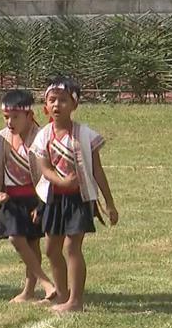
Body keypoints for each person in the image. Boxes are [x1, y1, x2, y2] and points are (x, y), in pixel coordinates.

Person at [30, 77, 119, 314]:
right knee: (51, 249)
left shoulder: (85, 135)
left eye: (63, 100)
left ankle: (76, 301)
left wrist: (109, 203)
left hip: (79, 200)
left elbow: (97, 170)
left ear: (74, 105)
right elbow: (45, 169)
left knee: (72, 246)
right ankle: (62, 294)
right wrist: (60, 181)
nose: (57, 105)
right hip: (54, 200)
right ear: (45, 106)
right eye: (52, 100)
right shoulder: (43, 135)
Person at [0, 90, 56, 303]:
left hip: (35, 200)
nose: (10, 122)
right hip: (11, 200)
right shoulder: (1, 138)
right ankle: (46, 283)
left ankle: (30, 291)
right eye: (6, 117)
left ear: (29, 115)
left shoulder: (41, 136)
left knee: (33, 243)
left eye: (15, 117)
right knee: (16, 238)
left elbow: (47, 174)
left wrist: (41, 205)